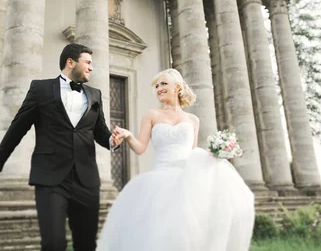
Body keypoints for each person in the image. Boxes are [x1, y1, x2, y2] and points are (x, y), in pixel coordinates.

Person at [0, 43, 123, 251]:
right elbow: (17, 129)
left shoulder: (95, 95)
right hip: (50, 178)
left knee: (86, 245)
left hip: (86, 180)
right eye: (88, 62)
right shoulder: (40, 89)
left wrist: (113, 140)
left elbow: (100, 131)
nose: (91, 68)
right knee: (53, 243)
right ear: (70, 62)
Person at [97, 68, 255, 251]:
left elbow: (193, 152)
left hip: (186, 181)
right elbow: (140, 148)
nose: (159, 88)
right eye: (156, 86)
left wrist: (215, 154)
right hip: (159, 180)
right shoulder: (152, 115)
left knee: (188, 232)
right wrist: (128, 135)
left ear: (177, 87)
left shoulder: (193, 120)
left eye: (164, 84)